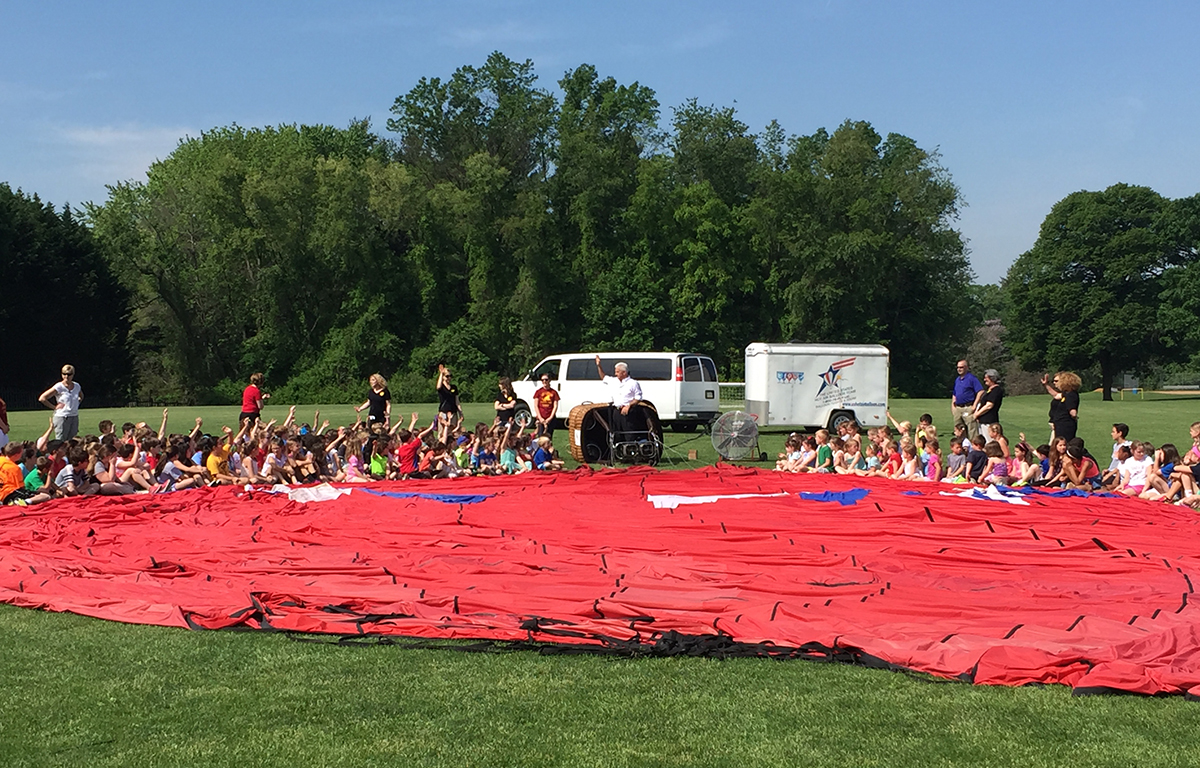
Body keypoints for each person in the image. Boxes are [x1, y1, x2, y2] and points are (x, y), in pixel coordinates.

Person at [595, 356, 644, 435]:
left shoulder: (633, 383)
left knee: (629, 433)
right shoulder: (614, 381)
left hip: (628, 412)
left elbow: (638, 398)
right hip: (616, 411)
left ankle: (629, 446)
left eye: (617, 372)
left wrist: (629, 406)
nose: (615, 374)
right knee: (616, 433)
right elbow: (603, 377)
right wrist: (599, 365)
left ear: (624, 373)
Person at [38, 364, 83, 440]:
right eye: (64, 374)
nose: (66, 376)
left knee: (72, 441)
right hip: (62, 417)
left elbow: (81, 396)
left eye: (69, 374)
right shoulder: (59, 386)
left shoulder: (77, 386)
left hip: (74, 416)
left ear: (73, 375)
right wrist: (54, 407)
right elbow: (42, 398)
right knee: (60, 440)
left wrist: (76, 403)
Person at [951, 360, 984, 441]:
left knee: (972, 430)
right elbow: (955, 393)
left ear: (966, 367)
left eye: (961, 367)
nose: (959, 369)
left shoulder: (972, 378)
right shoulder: (957, 379)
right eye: (958, 367)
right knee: (958, 430)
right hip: (958, 407)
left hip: (968, 406)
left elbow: (980, 391)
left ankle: (974, 449)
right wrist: (952, 405)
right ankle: (960, 449)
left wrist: (975, 405)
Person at [1043, 371, 1081, 441]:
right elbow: (1056, 395)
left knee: (1062, 443)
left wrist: (1073, 415)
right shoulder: (1066, 393)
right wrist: (1046, 385)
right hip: (1059, 424)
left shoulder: (1071, 395)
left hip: (1065, 425)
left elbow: (1073, 411)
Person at [972, 369, 1004, 443]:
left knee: (989, 441)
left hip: (989, 421)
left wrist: (977, 414)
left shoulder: (996, 390)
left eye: (986, 378)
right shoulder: (989, 390)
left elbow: (989, 405)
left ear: (992, 378)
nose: (984, 379)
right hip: (982, 421)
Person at [435, 365, 463, 441]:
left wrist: (460, 412)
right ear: (443, 377)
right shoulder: (441, 387)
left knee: (454, 431)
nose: (449, 378)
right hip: (444, 411)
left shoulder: (454, 387)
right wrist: (441, 373)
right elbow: (438, 387)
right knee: (442, 432)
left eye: (450, 376)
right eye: (447, 376)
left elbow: (457, 401)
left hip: (453, 412)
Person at [532, 373, 560, 439]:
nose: (544, 381)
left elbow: (555, 406)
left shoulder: (554, 392)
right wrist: (540, 418)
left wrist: (550, 418)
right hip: (541, 417)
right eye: (542, 380)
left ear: (549, 380)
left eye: (546, 379)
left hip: (550, 418)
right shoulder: (538, 392)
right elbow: (536, 405)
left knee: (548, 437)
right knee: (540, 436)